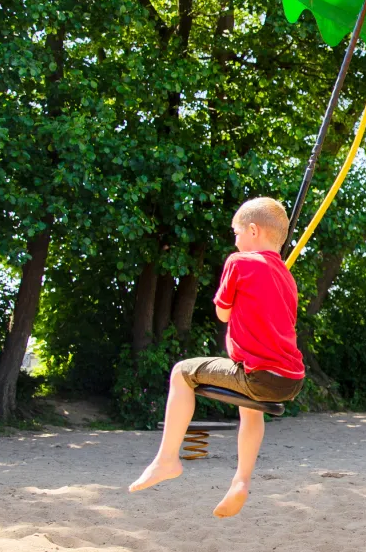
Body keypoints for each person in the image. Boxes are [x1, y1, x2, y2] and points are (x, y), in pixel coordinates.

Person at [129, 198, 305, 518]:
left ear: (253, 230)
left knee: (182, 372)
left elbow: (222, 313)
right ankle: (241, 481)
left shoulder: (239, 261)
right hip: (289, 379)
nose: (234, 239)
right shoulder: (287, 278)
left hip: (257, 374)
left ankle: (167, 459)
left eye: (236, 232)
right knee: (250, 412)